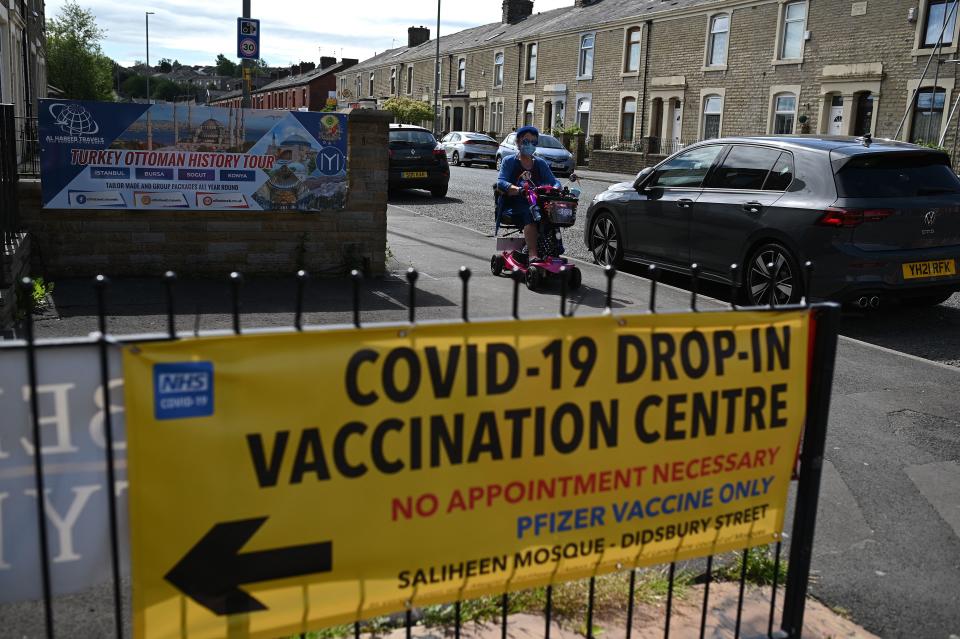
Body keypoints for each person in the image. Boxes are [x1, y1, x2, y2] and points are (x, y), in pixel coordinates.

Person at [497, 125, 561, 263]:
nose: (530, 145)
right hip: (515, 204)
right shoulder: (509, 161)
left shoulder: (540, 163)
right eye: (526, 142)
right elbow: (501, 182)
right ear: (518, 142)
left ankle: (553, 251)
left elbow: (554, 181)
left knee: (553, 216)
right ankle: (533, 253)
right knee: (530, 214)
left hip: (537, 203)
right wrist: (518, 189)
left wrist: (556, 188)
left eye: (534, 142)